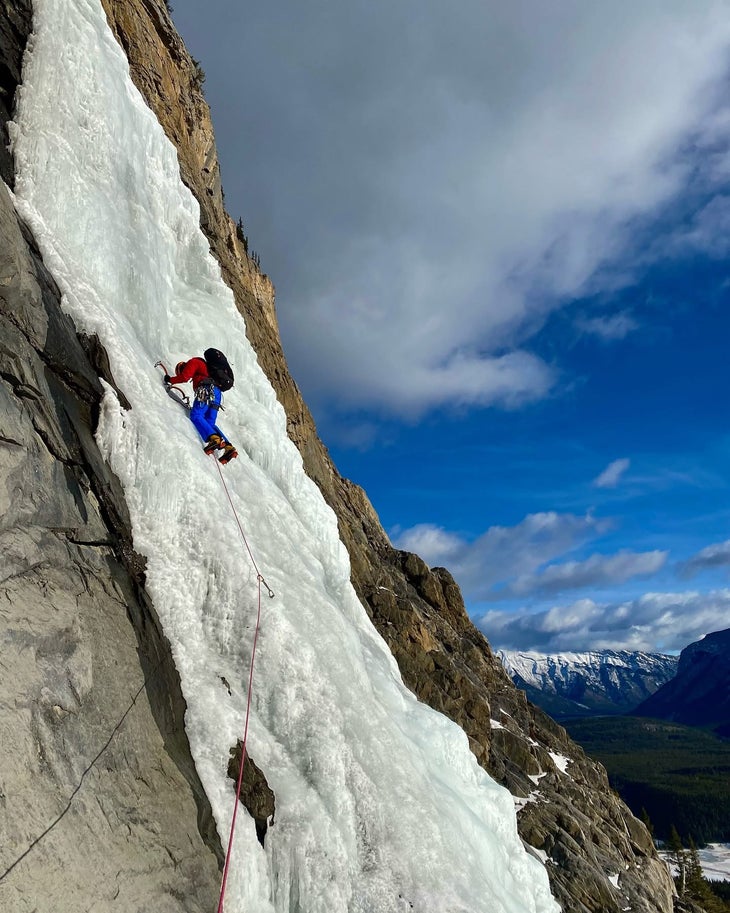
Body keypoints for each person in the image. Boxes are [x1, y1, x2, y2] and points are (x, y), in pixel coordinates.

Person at [164, 355, 238, 464]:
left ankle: (214, 440)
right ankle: (229, 448)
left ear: (182, 366)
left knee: (196, 415)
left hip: (206, 389)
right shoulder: (205, 368)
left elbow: (184, 377)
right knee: (209, 423)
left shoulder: (193, 362)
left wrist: (170, 379)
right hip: (216, 394)